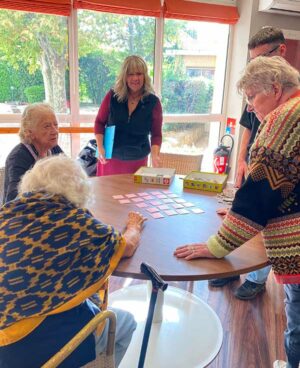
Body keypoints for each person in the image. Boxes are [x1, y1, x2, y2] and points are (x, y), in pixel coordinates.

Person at [174, 56, 300, 368]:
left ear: (274, 88)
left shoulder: (286, 118)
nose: (249, 107)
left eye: (251, 97)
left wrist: (216, 246)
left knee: (298, 323)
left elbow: (261, 192)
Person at [0, 155, 147, 368]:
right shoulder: (76, 223)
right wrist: (134, 225)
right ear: (78, 188)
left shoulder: (8, 213)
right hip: (25, 350)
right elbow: (126, 245)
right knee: (126, 323)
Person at [210, 26, 287, 300]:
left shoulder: (289, 98)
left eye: (262, 57)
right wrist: (242, 158)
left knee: (260, 214)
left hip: (275, 175)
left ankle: (255, 277)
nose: (257, 64)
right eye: (253, 60)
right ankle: (232, 265)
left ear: (281, 51)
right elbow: (246, 125)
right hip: (256, 161)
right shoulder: (258, 83)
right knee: (242, 212)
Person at [94, 55, 163, 176]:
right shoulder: (112, 96)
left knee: (135, 195)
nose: (135, 78)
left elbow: (156, 134)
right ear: (124, 77)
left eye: (139, 73)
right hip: (110, 161)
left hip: (138, 162)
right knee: (107, 194)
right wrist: (100, 148)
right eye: (130, 74)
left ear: (145, 76)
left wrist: (155, 155)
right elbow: (99, 122)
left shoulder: (153, 102)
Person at [3, 102, 63, 204]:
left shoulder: (54, 149)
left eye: (56, 124)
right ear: (29, 132)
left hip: (50, 207)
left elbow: (69, 177)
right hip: (22, 214)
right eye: (47, 126)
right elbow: (13, 200)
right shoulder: (19, 156)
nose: (54, 131)